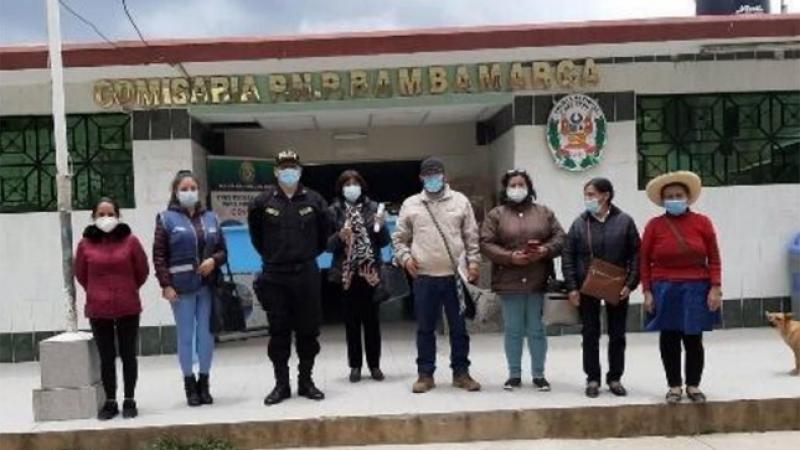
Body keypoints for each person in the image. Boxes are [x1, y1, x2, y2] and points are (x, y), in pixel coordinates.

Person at [392, 157, 482, 394]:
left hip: (455, 277)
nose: (433, 178)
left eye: (437, 174)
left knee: (459, 328)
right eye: (428, 175)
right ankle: (425, 374)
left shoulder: (460, 201)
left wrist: (474, 262)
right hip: (424, 277)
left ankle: (461, 373)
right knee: (425, 328)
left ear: (444, 176)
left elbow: (471, 236)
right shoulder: (411, 204)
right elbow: (399, 238)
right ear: (421, 178)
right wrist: (405, 258)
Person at [248, 150, 330, 405]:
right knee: (278, 331)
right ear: (276, 171)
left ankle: (306, 382)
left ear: (300, 170)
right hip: (275, 276)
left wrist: (304, 255)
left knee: (308, 331)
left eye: (293, 167)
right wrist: (276, 257)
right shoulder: (261, 202)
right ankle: (281, 385)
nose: (288, 171)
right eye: (284, 167)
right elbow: (257, 238)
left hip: (306, 274)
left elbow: (323, 238)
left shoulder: (315, 200)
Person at [480, 169, 565, 392]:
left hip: (538, 280)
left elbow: (560, 238)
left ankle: (539, 375)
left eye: (521, 185)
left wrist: (545, 250)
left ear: (529, 188)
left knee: (537, 329)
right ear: (506, 189)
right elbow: (486, 243)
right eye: (513, 185)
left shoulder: (544, 212)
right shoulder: (496, 215)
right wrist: (509, 257)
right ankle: (514, 375)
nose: (517, 189)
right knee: (513, 329)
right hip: (509, 281)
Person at [641, 171, 722, 404]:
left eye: (678, 195)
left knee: (693, 338)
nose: (674, 199)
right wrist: (647, 291)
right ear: (663, 200)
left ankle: (693, 385)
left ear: (687, 197)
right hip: (664, 288)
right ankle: (674, 386)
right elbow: (644, 260)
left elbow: (714, 258)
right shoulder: (654, 226)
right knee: (669, 338)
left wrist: (715, 287)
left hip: (696, 288)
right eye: (670, 196)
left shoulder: (702, 223)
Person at [153, 171, 227, 407]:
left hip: (207, 286)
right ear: (175, 192)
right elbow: (159, 255)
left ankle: (204, 382)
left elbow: (223, 251)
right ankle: (189, 384)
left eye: (193, 188)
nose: (189, 192)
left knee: (206, 336)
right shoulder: (166, 219)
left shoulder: (212, 218)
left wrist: (213, 260)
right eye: (184, 189)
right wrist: (165, 284)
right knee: (185, 337)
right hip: (181, 289)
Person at [561, 178, 641, 398]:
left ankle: (615, 378)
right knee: (590, 333)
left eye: (591, 194)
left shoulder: (624, 221)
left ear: (605, 195)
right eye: (586, 194)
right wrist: (572, 287)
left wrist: (631, 283)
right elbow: (568, 256)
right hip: (586, 285)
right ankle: (592, 378)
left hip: (618, 286)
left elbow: (636, 254)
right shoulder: (579, 223)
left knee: (617, 334)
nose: (587, 199)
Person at [75, 197, 149, 420]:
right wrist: (97, 291)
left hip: (128, 305)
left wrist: (127, 288)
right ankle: (110, 401)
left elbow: (142, 270)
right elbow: (81, 274)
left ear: (118, 216)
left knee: (128, 355)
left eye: (110, 214)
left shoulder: (131, 241)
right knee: (106, 357)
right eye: (101, 214)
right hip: (98, 308)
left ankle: (129, 399)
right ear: (93, 217)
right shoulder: (85, 244)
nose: (106, 218)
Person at [327, 170, 391, 383]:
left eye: (355, 183)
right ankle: (355, 366)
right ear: (341, 188)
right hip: (346, 274)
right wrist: (339, 236)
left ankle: (375, 366)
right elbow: (327, 246)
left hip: (370, 273)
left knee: (372, 322)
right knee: (351, 323)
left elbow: (384, 242)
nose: (351, 188)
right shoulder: (333, 211)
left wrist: (382, 226)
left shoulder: (374, 208)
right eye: (347, 184)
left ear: (362, 186)